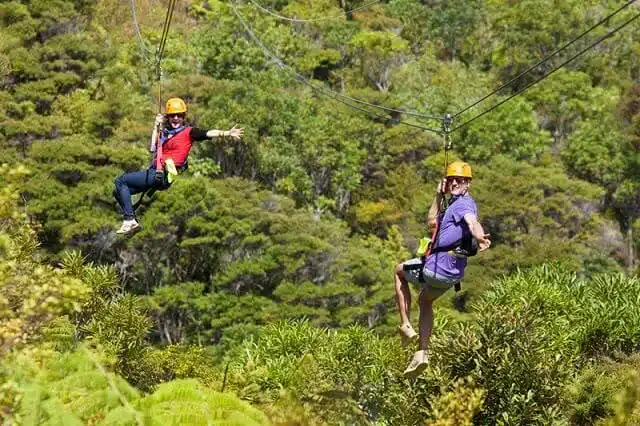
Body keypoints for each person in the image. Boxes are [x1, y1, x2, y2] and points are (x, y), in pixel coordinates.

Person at [393, 161, 491, 377]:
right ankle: (422, 353)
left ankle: (405, 326)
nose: (454, 183)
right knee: (425, 301)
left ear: (467, 184)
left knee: (399, 271)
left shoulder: (464, 205)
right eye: (451, 179)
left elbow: (472, 222)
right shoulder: (451, 206)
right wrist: (438, 195)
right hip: (451, 275)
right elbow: (431, 223)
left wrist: (479, 236)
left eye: (459, 180)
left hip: (437, 267)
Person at [113, 97, 244, 234]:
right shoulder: (165, 133)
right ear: (168, 118)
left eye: (179, 116)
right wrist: (156, 126)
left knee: (120, 181)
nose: (176, 118)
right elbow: (153, 147)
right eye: (172, 116)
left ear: (183, 117)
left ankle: (130, 219)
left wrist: (227, 133)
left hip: (161, 174)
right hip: (156, 174)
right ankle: (132, 220)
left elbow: (208, 133)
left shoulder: (189, 133)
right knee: (117, 191)